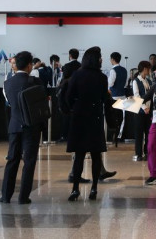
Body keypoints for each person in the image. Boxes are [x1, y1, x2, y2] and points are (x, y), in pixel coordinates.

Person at [65, 46, 111, 201]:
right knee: (96, 155)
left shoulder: (77, 75)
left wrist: (74, 109)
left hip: (79, 117)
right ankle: (94, 189)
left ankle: (75, 189)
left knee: (79, 155)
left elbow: (69, 96)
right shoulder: (102, 78)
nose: (101, 59)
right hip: (95, 117)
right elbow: (105, 100)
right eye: (100, 57)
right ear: (96, 59)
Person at [0, 51, 43, 204]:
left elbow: (10, 103)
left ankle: (5, 196)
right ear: (29, 65)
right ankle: (23, 197)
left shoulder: (7, 83)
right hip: (31, 126)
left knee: (12, 159)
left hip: (14, 125)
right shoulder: (36, 82)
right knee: (29, 161)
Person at [132, 61, 152, 161]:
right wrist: (144, 107)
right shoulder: (136, 81)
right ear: (144, 69)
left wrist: (149, 108)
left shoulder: (148, 81)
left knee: (148, 132)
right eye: (148, 68)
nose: (149, 71)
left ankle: (147, 151)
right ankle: (139, 154)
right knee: (139, 133)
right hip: (139, 111)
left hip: (148, 111)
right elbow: (137, 96)